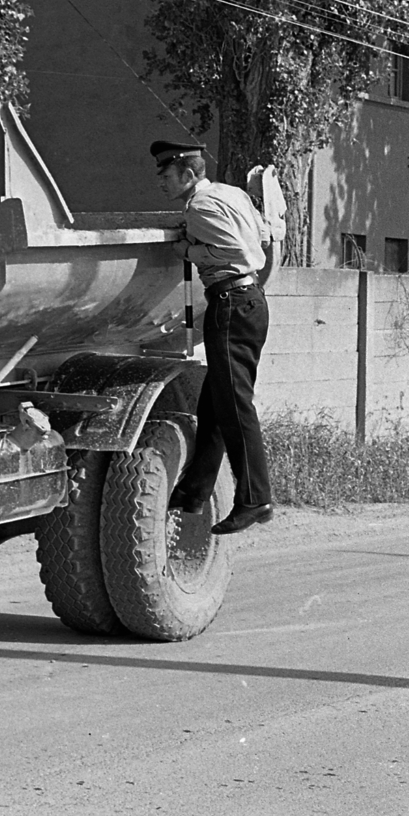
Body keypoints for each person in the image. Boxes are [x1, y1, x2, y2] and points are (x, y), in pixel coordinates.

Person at [152, 141, 274, 535]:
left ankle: (255, 500)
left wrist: (188, 248)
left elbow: (235, 249)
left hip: (231, 303)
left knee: (235, 407)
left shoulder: (201, 206)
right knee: (216, 405)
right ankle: (194, 491)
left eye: (167, 176)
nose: (162, 183)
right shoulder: (231, 193)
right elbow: (262, 235)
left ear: (188, 175)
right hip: (249, 301)